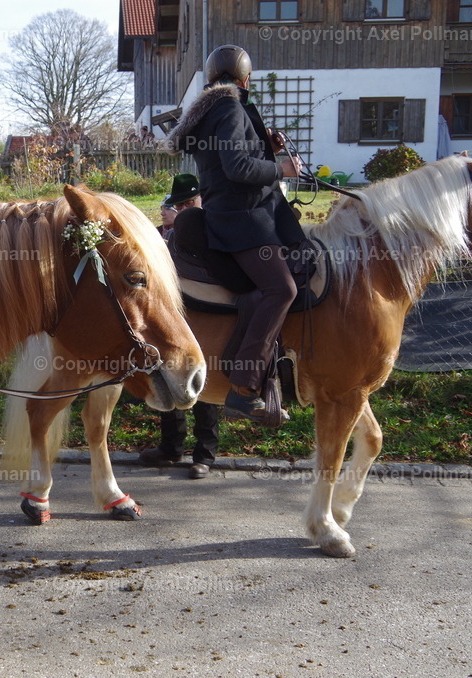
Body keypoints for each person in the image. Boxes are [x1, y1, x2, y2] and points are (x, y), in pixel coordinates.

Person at [168, 44, 305, 423]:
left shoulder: (215, 109)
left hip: (240, 216)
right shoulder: (229, 108)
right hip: (242, 222)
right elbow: (237, 167)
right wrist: (283, 170)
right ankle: (244, 388)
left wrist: (266, 145)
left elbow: (235, 155)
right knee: (282, 289)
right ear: (246, 78)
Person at [142, 173, 221, 478]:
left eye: (190, 202)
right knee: (166, 377)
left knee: (202, 386)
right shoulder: (160, 236)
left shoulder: (211, 228)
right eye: (179, 204)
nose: (183, 208)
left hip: (203, 315)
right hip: (170, 315)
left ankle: (205, 454)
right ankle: (171, 447)